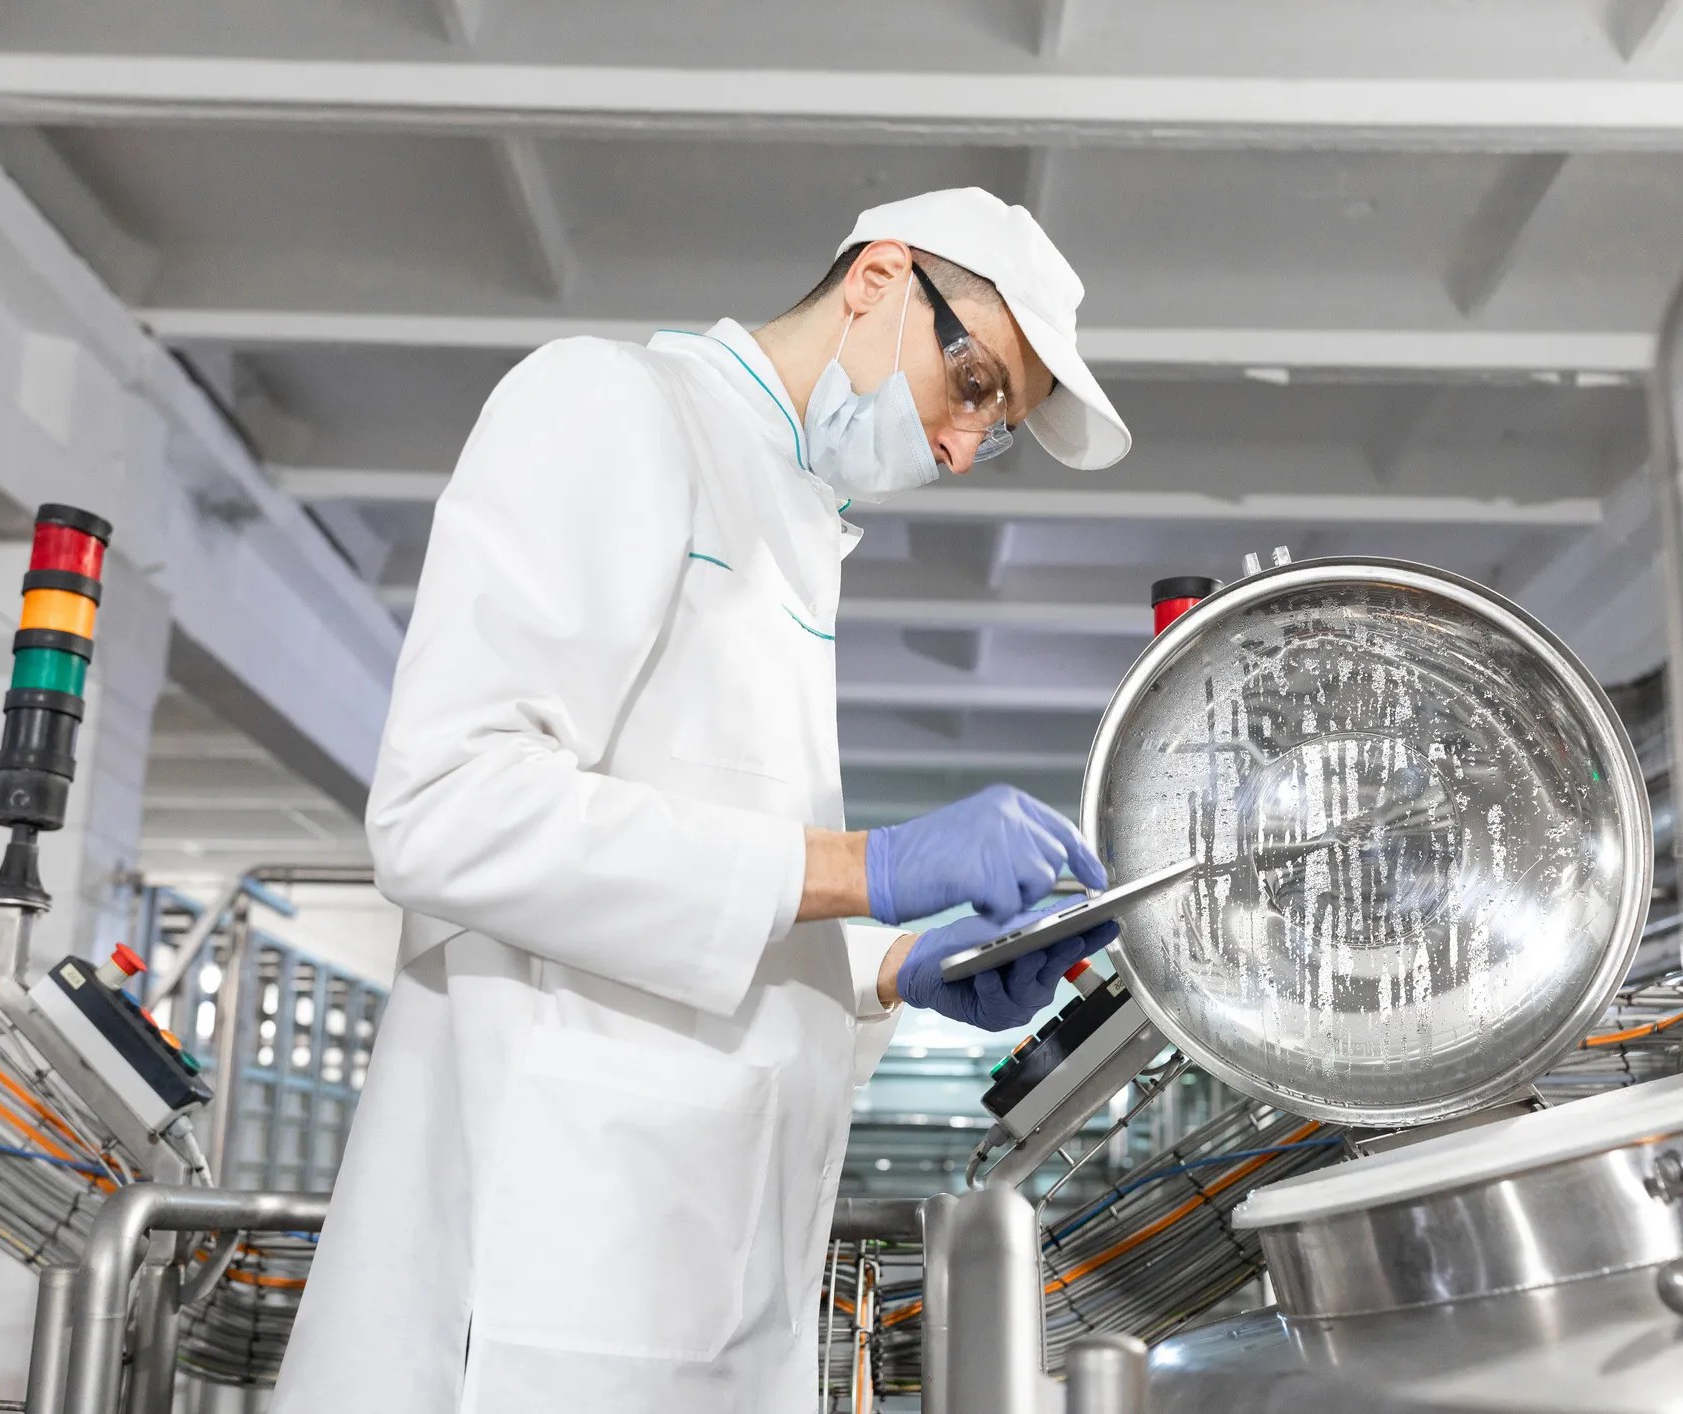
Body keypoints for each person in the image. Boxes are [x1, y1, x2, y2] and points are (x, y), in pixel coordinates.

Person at [270, 188, 1133, 1414]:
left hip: (685, 1274)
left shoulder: (792, 520)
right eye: (976, 385)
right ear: (879, 279)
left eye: (990, 430)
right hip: (540, 1282)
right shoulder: (613, 405)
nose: (957, 448)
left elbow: (685, 888)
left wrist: (888, 965)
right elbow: (446, 811)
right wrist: (868, 867)